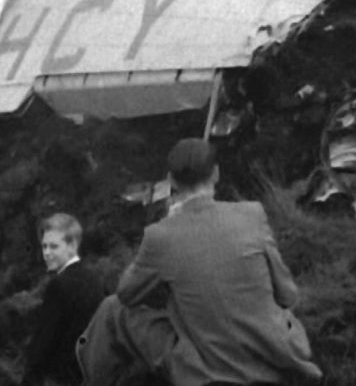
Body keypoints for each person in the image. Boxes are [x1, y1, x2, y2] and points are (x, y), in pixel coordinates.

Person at [77, 138, 322, 386]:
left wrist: (167, 225)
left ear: (171, 181)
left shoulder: (161, 236)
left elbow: (126, 294)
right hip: (274, 354)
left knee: (113, 309)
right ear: (216, 173)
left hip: (206, 371)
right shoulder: (252, 215)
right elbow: (288, 295)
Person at [21, 213, 105, 386]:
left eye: (54, 247)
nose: (47, 253)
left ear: (72, 245)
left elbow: (44, 343)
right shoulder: (96, 279)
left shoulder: (59, 285)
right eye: (44, 247)